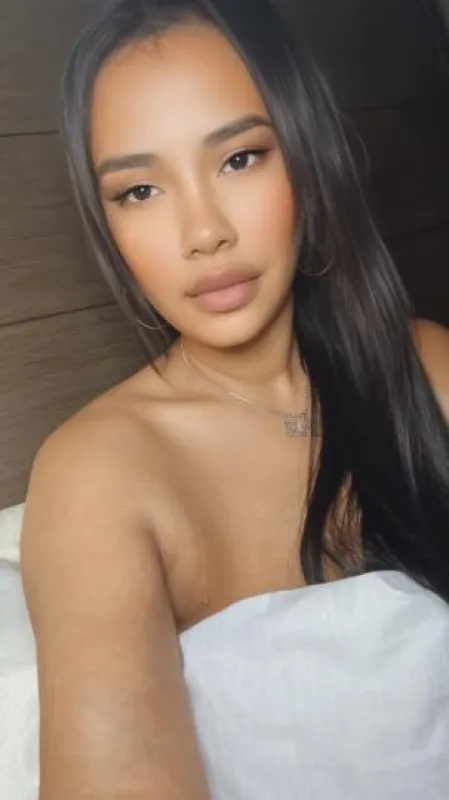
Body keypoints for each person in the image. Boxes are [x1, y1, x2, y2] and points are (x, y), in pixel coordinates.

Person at [20, 0, 449, 797]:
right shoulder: (97, 475)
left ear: (307, 157)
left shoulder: (426, 368)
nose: (203, 231)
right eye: (139, 191)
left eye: (239, 158)